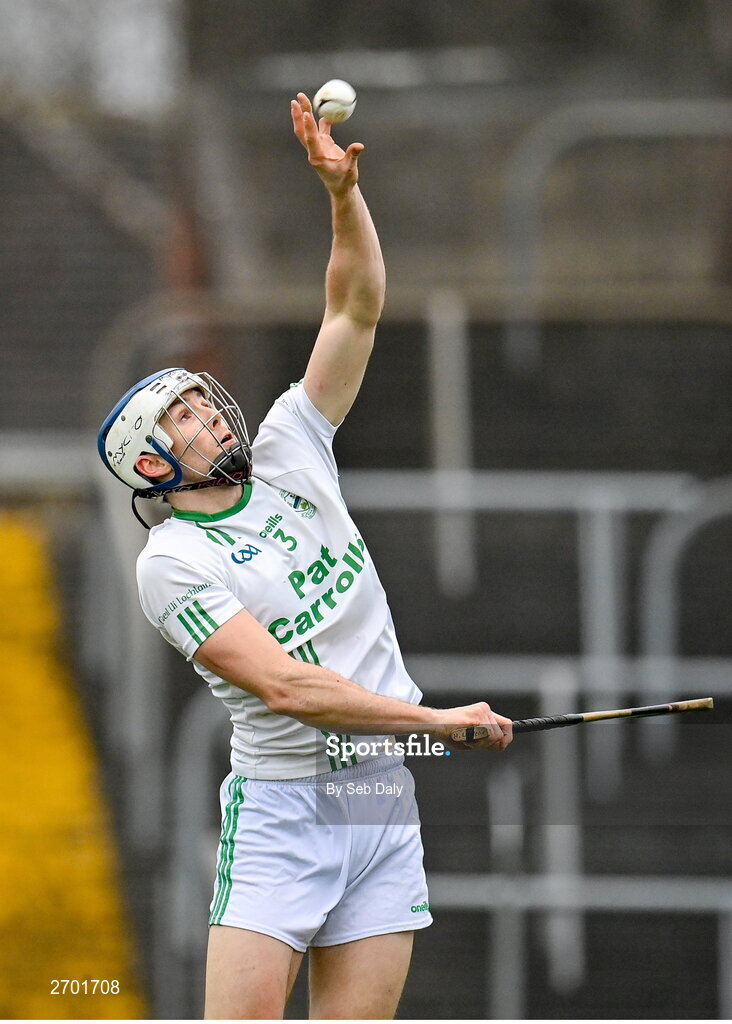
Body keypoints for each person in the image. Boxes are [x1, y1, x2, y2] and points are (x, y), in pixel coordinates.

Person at [98, 92, 513, 1020]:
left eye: (205, 401)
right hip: (286, 812)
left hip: (376, 802)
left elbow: (356, 309)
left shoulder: (290, 443)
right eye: (185, 419)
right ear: (155, 465)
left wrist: (341, 195)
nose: (212, 415)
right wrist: (429, 721)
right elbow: (286, 688)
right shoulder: (172, 563)